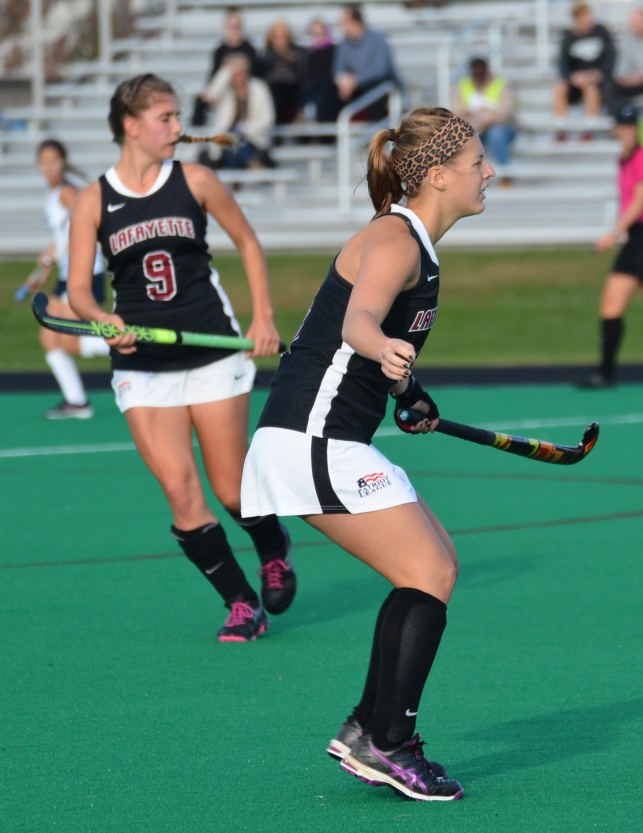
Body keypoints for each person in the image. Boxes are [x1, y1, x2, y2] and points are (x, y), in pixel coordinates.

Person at [241, 107, 495, 800]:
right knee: (430, 569)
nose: (489, 173)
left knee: (431, 566)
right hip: (310, 441)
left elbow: (373, 342)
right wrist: (380, 346)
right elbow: (359, 317)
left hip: (324, 438)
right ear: (439, 177)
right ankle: (391, 741)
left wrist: (408, 389)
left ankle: (368, 728)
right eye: (478, 164)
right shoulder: (395, 239)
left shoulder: (415, 243)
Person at [66, 73, 295, 641]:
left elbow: (247, 242)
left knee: (232, 489)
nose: (177, 127)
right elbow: (77, 289)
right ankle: (241, 602)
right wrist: (103, 320)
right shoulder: (94, 199)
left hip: (213, 350)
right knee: (179, 491)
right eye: (165, 118)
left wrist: (263, 317)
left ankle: (273, 548)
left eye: (176, 116)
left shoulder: (196, 180)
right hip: (142, 365)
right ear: (130, 124)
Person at [19, 139, 108, 419]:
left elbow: (93, 220)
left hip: (85, 272)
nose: (49, 166)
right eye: (44, 161)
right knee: (48, 336)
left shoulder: (68, 192)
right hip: (66, 273)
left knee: (68, 340)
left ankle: (129, 340)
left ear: (63, 161)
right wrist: (42, 270)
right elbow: (58, 240)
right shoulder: (52, 194)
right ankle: (77, 402)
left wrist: (66, 249)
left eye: (54, 160)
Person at [577, 103, 643, 389]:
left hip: (638, 236)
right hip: (636, 238)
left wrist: (615, 233)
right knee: (611, 306)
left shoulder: (640, 156)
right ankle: (605, 374)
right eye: (623, 125)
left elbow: (640, 198)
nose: (628, 131)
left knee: (612, 304)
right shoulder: (624, 158)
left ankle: (605, 373)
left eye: (632, 125)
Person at [197, 54, 276, 170]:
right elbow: (210, 96)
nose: (239, 76)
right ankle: (250, 165)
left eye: (241, 72)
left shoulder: (259, 88)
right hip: (227, 138)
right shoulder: (225, 90)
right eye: (235, 73)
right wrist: (225, 72)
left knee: (240, 146)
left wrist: (246, 129)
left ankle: (244, 168)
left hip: (252, 137)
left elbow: (268, 118)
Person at [552, 2, 617, 141]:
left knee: (590, 87)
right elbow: (562, 64)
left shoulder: (602, 32)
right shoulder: (568, 38)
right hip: (576, 80)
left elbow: (611, 57)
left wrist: (598, 74)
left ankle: (589, 127)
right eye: (584, 16)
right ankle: (560, 128)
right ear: (576, 19)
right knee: (559, 87)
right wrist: (572, 77)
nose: (588, 19)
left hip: (597, 79)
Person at [452, 56, 517, 186]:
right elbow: (456, 110)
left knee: (497, 135)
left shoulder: (500, 84)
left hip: (500, 127)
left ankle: (505, 173)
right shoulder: (463, 85)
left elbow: (506, 110)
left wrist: (488, 120)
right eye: (475, 73)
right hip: (474, 129)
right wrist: (478, 122)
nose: (478, 76)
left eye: (481, 72)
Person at [192, 6, 262, 127]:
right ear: (225, 26)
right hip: (225, 91)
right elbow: (213, 75)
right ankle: (198, 139)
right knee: (200, 100)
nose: (235, 29)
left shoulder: (249, 49)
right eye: (232, 26)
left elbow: (256, 75)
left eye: (238, 26)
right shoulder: (219, 51)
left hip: (244, 91)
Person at [333, 4, 400, 122]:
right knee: (330, 93)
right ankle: (329, 136)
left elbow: (381, 70)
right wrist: (342, 81)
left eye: (343, 23)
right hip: (355, 88)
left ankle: (375, 135)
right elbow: (338, 69)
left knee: (375, 91)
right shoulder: (344, 44)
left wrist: (355, 81)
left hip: (379, 85)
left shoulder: (378, 39)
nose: (341, 27)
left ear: (355, 22)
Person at [261, 20, 307, 126]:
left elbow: (303, 77)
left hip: (295, 92)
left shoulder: (299, 54)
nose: (282, 40)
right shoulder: (267, 57)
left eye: (285, 36)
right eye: (278, 36)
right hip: (276, 94)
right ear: (272, 38)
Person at [605, 4, 643, 117]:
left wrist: (639, 76)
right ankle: (621, 118)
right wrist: (623, 77)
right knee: (609, 88)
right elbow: (621, 64)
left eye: (635, 22)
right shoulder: (627, 37)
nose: (632, 25)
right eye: (631, 22)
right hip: (632, 80)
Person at [304, 17, 340, 124]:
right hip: (316, 92)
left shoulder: (335, 50)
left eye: (321, 33)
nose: (318, 37)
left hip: (332, 91)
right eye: (315, 34)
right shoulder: (310, 55)